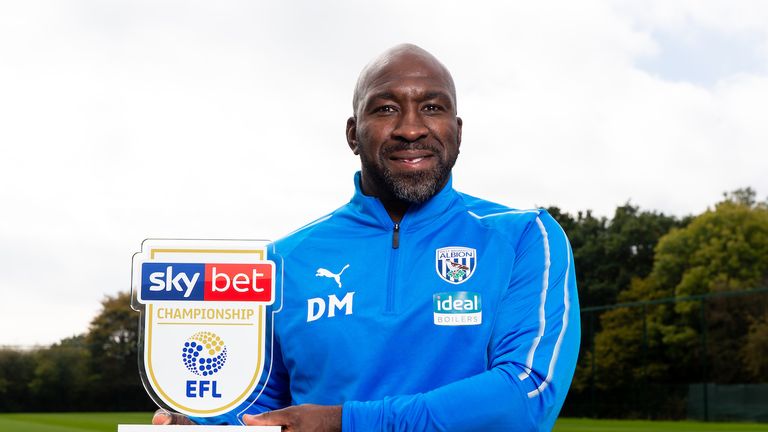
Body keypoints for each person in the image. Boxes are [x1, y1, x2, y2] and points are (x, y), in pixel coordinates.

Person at [153, 43, 580, 431]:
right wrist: (198, 422)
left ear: (458, 130)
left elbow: (526, 396)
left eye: (432, 108)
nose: (411, 129)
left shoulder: (525, 235)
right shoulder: (280, 261)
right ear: (352, 134)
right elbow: (258, 409)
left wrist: (346, 422)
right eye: (386, 109)